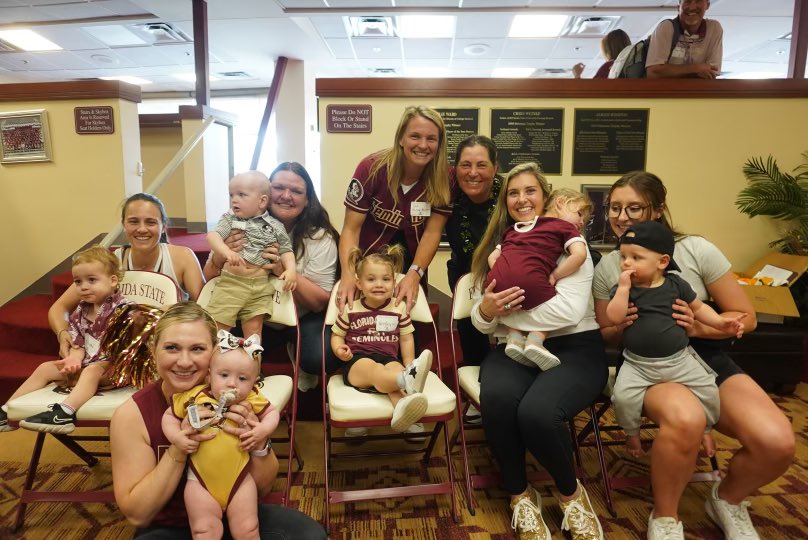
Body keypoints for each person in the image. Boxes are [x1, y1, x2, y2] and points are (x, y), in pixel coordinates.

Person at [592, 171, 794, 540]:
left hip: (706, 358)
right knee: (685, 418)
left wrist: (700, 328)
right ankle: (666, 518)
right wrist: (620, 325)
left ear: (659, 209)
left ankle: (727, 499)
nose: (622, 217)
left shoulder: (696, 249)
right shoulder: (610, 266)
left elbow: (744, 318)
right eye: (614, 208)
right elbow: (604, 332)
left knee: (776, 443)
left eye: (633, 207)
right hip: (648, 364)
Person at [469, 166, 607, 540]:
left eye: (530, 191)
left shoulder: (570, 246)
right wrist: (487, 311)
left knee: (537, 412)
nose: (522, 199)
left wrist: (506, 311)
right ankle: (519, 495)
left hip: (575, 348)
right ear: (505, 203)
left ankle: (571, 495)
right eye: (513, 193)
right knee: (497, 399)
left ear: (546, 198)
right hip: (514, 346)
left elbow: (568, 313)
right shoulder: (503, 247)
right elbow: (480, 319)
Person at [110, 301, 326, 538]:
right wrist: (178, 450)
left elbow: (263, 488)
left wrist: (258, 442)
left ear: (215, 352)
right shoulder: (132, 415)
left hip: (238, 513)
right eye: (172, 348)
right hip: (173, 527)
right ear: (154, 350)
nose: (184, 361)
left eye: (197, 349)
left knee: (310, 535)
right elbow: (138, 514)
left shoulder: (239, 397)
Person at [605, 221, 745, 459]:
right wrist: (622, 289)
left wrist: (721, 323)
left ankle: (706, 429)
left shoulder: (676, 284)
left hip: (679, 360)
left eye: (636, 257)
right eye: (623, 256)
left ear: (662, 262)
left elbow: (699, 308)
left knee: (709, 389)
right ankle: (632, 434)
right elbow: (613, 317)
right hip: (637, 364)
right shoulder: (623, 289)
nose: (626, 263)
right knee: (623, 397)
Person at [204, 162, 340, 393]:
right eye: (279, 187)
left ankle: (294, 352)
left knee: (319, 357)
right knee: (214, 337)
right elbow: (209, 278)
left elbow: (320, 301)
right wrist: (221, 255)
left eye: (296, 191)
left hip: (301, 316)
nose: (286, 196)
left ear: (307, 199)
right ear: (265, 194)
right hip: (248, 309)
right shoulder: (237, 220)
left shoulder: (319, 237)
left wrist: (281, 269)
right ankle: (239, 376)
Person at [49, 193, 205, 359]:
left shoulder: (183, 257)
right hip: (117, 354)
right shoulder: (109, 262)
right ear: (123, 224)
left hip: (168, 348)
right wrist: (62, 333)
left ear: (163, 226)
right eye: (133, 221)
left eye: (151, 222)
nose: (142, 229)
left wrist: (168, 310)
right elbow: (59, 308)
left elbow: (204, 307)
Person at [0, 246, 131, 433]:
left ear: (112, 281)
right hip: (87, 366)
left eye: (92, 280)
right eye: (78, 282)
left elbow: (123, 351)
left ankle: (65, 412)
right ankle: (7, 410)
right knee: (46, 368)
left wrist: (90, 365)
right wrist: (73, 359)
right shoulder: (81, 311)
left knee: (92, 370)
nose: (83, 286)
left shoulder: (124, 310)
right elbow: (78, 343)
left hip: (115, 369)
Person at [163, 330, 279, 539]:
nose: (232, 383)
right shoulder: (195, 395)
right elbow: (170, 416)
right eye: (224, 375)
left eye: (243, 378)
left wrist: (262, 430)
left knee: (248, 528)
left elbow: (272, 413)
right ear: (209, 375)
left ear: (254, 382)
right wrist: (176, 437)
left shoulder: (251, 399)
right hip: (199, 481)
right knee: (203, 530)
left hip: (240, 479)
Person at [337, 105, 451, 315]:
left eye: (431, 139)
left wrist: (415, 274)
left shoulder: (445, 177)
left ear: (439, 143)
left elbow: (432, 232)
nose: (423, 145)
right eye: (415, 136)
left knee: (408, 333)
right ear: (401, 138)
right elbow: (351, 229)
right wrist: (348, 274)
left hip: (411, 264)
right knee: (359, 331)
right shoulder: (371, 168)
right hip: (365, 263)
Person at [485, 182, 590, 370]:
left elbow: (493, 257)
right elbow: (579, 255)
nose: (582, 222)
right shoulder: (564, 228)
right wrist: (555, 275)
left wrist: (503, 272)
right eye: (580, 214)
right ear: (560, 202)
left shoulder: (514, 229)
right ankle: (535, 340)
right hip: (534, 283)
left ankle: (515, 338)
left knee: (513, 301)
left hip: (497, 282)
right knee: (547, 296)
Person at [331, 245, 433, 433]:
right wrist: (339, 349)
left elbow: (406, 339)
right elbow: (337, 335)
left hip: (389, 358)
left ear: (394, 283)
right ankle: (406, 382)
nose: (379, 284)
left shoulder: (398, 308)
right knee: (376, 370)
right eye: (371, 279)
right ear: (359, 283)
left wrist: (409, 364)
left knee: (394, 371)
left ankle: (404, 409)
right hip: (357, 361)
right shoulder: (351, 308)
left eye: (386, 279)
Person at [206, 171, 297, 340]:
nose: (234, 200)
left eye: (241, 195)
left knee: (254, 336)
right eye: (231, 195)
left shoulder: (275, 225)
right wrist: (227, 251)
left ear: (262, 201)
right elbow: (213, 236)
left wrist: (291, 270)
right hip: (231, 284)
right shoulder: (230, 219)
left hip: (261, 288)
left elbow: (286, 250)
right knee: (218, 333)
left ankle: (254, 365)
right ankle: (215, 365)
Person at [446, 135, 502, 369]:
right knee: (471, 338)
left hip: (506, 278)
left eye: (481, 165)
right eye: (465, 165)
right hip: (465, 275)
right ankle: (474, 398)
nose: (472, 172)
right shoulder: (447, 196)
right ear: (455, 168)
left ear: (495, 168)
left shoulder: (510, 198)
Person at [646, 0, 722, 79]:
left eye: (698, 1)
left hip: (696, 90)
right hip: (666, 90)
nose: (692, 7)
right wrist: (695, 69)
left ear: (707, 5)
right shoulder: (666, 27)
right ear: (679, 7)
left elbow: (712, 70)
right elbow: (653, 72)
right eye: (687, 1)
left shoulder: (714, 28)